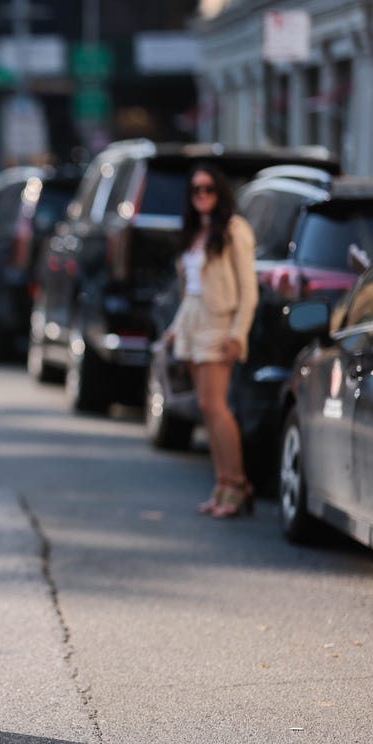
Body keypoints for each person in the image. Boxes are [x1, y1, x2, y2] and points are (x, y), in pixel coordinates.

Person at [164, 162, 258, 518]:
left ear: (220, 193)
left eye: (209, 189)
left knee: (216, 406)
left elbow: (249, 290)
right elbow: (190, 290)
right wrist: (175, 327)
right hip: (192, 323)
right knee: (204, 407)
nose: (202, 195)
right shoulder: (194, 232)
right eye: (196, 190)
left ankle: (237, 483)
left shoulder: (235, 230)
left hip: (219, 325)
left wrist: (237, 334)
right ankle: (222, 484)